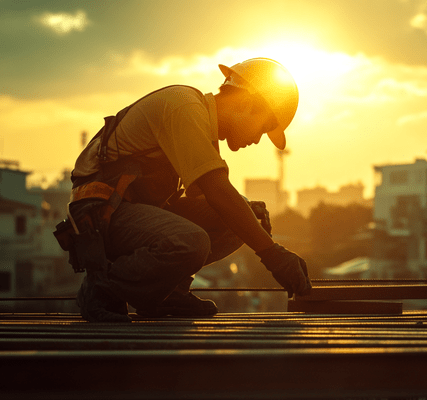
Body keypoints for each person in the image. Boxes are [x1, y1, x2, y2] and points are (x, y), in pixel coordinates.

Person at [56, 58, 312, 322]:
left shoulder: (201, 125)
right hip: (103, 213)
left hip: (130, 211)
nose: (257, 140)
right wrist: (272, 254)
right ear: (248, 103)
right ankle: (102, 289)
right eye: (263, 128)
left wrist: (248, 213)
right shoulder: (185, 107)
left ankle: (167, 295)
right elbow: (217, 191)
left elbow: (206, 196)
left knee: (244, 216)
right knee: (192, 241)